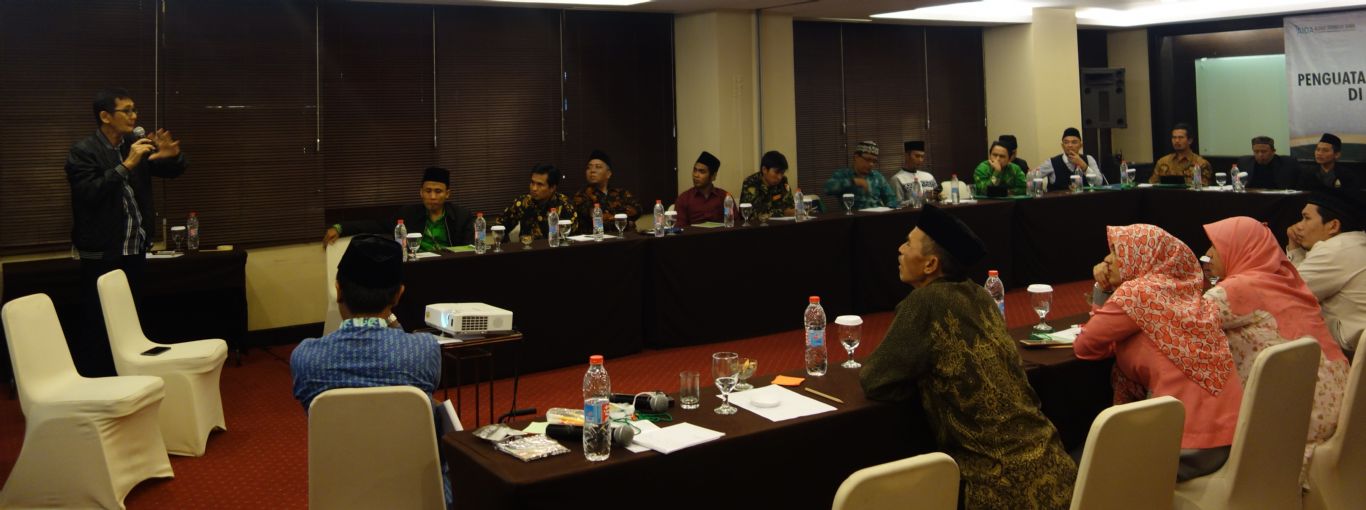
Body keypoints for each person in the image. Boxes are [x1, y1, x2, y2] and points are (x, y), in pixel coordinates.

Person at [860, 204, 1075, 509]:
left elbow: (875, 379)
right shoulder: (981, 296)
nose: (900, 249)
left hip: (999, 488)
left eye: (908, 243)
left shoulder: (924, 301)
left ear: (930, 264)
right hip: (1056, 468)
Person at [1074, 224, 1243, 481]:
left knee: (1080, 463)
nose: (1107, 260)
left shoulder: (1137, 294)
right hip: (1231, 435)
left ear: (1143, 256)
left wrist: (1102, 290)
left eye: (1118, 252)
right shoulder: (1186, 289)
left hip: (1187, 445)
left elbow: (1085, 346)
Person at [289, 233, 447, 504]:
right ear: (398, 295)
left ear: (338, 289)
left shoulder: (306, 357)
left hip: (340, 494)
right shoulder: (424, 350)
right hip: (416, 494)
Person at [1201, 216, 1347, 479]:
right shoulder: (1288, 281)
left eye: (1215, 246)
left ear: (1239, 248)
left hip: (1293, 421)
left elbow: (1180, 323)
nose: (1208, 254)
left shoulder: (1236, 289)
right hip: (1339, 413)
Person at [65, 88, 186, 377]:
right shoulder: (84, 151)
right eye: (127, 110)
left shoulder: (134, 145)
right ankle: (98, 379)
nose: (134, 116)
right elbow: (88, 193)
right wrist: (126, 164)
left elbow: (172, 170)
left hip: (134, 248)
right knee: (100, 319)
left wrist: (173, 157)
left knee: (132, 316)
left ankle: (132, 375)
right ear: (105, 116)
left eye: (135, 110)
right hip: (101, 250)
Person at [1286, 190, 1366, 354]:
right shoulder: (1357, 241)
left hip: (1351, 351)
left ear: (1333, 226)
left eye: (1307, 218)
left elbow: (1287, 293)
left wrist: (1294, 250)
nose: (1299, 226)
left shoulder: (1334, 249)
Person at [324, 167, 474, 251]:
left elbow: (470, 249)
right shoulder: (409, 214)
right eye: (428, 191)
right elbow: (377, 225)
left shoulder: (462, 216)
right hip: (417, 268)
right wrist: (340, 227)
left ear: (447, 194)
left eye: (438, 191)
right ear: (421, 192)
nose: (432, 196)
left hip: (449, 268)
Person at [497, 164, 578, 240]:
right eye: (532, 183)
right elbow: (499, 227)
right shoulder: (522, 202)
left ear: (552, 188)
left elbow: (573, 238)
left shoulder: (565, 205)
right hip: (527, 248)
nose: (534, 188)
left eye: (540, 184)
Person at [571, 150, 641, 235]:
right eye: (588, 167)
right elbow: (597, 219)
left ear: (608, 173)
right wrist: (623, 219)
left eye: (598, 167)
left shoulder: (621, 193)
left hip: (625, 239)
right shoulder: (581, 195)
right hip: (596, 240)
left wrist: (611, 217)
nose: (592, 170)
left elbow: (637, 211)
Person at [824, 140, 897, 210]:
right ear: (856, 157)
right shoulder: (844, 174)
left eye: (874, 161)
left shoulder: (877, 177)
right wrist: (853, 182)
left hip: (876, 215)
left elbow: (891, 198)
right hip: (853, 217)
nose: (871, 164)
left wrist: (890, 207)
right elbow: (828, 188)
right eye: (868, 159)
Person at [673, 151, 731, 227]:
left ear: (713, 176)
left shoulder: (724, 197)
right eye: (695, 170)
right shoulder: (684, 199)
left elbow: (734, 224)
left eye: (702, 172)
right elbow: (680, 228)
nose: (696, 175)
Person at [1038, 127, 1102, 191]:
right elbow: (1033, 177)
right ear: (1062, 146)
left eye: (1074, 142)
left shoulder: (1089, 159)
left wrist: (1083, 165)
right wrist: (1041, 192)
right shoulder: (1052, 162)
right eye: (1066, 142)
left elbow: (1099, 183)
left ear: (1080, 145)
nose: (1070, 145)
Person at [739, 150, 796, 216]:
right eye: (776, 172)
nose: (779, 177)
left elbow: (790, 206)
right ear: (764, 170)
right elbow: (750, 214)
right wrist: (783, 213)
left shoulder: (783, 181)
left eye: (782, 173)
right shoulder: (751, 183)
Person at [891, 140, 940, 204]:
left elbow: (937, 197)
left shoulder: (929, 176)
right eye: (917, 156)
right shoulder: (897, 179)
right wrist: (924, 198)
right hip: (913, 210)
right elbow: (897, 205)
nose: (920, 160)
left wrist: (939, 196)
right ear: (906, 156)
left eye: (922, 156)